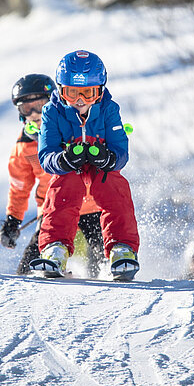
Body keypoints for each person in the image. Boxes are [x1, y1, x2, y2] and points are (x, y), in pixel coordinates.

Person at [29, 50, 139, 280]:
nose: (79, 101)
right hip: (70, 166)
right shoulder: (52, 112)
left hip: (101, 165)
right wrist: (63, 160)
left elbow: (121, 150)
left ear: (99, 92)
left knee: (113, 184)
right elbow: (46, 153)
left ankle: (122, 248)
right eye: (72, 93)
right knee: (62, 186)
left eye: (87, 93)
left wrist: (109, 158)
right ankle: (55, 247)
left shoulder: (109, 109)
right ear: (61, 90)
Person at [0, 73, 104, 276]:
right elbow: (19, 188)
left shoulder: (73, 130)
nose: (35, 113)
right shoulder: (25, 148)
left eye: (40, 105)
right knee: (28, 271)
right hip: (52, 210)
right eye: (27, 108)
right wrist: (12, 221)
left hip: (90, 206)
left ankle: (108, 274)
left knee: (102, 263)